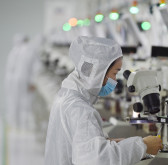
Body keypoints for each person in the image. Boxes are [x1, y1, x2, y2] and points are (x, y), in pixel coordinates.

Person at [44, 36, 162, 165]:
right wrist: (143, 145)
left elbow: (82, 147)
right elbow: (97, 160)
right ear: (99, 72)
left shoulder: (67, 96)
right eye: (115, 73)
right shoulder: (81, 110)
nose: (115, 81)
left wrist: (112, 144)